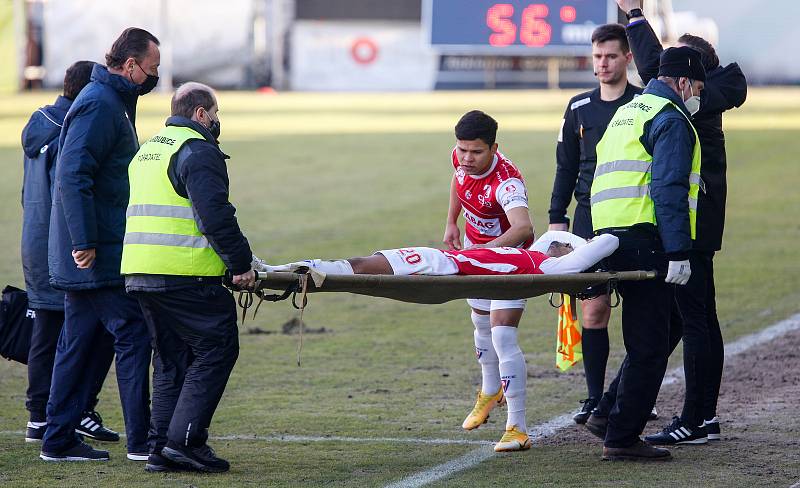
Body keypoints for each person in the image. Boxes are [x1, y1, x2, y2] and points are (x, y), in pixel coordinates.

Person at [612, 0, 747, 446]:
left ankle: (698, 417)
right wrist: (634, 17)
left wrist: (634, 16)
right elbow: (658, 70)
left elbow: (655, 70)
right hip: (685, 223)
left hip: (694, 225)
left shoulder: (715, 88)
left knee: (695, 320)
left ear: (694, 76)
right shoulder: (693, 91)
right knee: (684, 318)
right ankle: (618, 403)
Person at [122, 82, 255, 474]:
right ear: (201, 114)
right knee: (216, 349)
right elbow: (213, 214)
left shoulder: (150, 148)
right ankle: (187, 441)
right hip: (185, 273)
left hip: (141, 271)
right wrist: (240, 263)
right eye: (215, 114)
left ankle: (160, 448)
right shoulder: (196, 150)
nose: (217, 122)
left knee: (170, 359)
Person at [42, 28, 161, 463]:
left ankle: (57, 438)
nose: (154, 77)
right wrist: (84, 241)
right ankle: (140, 442)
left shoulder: (112, 102)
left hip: (97, 248)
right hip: (94, 252)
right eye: (151, 69)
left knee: (81, 341)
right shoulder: (99, 103)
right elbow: (73, 174)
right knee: (131, 332)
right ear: (129, 65)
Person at [585, 46, 705, 461]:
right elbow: (668, 188)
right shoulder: (671, 119)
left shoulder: (629, 111)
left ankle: (606, 413)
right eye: (698, 88)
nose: (698, 96)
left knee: (669, 326)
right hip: (645, 238)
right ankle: (620, 437)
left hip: (610, 234)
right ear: (685, 82)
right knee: (650, 343)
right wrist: (678, 251)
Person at [547, 23, 645, 424]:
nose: (602, 64)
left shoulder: (644, 104)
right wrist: (557, 219)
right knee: (593, 313)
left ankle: (634, 392)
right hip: (588, 222)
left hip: (635, 221)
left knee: (642, 316)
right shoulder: (577, 108)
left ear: (627, 58)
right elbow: (565, 167)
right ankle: (594, 398)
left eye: (610, 56)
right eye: (597, 57)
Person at [20, 60, 121, 445]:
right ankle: (75, 411)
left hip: (34, 237)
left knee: (47, 330)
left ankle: (38, 417)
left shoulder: (38, 123)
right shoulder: (78, 126)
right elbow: (73, 186)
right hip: (64, 242)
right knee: (94, 331)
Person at [441, 111, 535, 452]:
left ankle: (517, 428)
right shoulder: (462, 158)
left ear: (494, 148)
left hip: (509, 263)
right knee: (480, 325)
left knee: (502, 335)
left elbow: (523, 229)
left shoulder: (507, 182)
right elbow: (458, 180)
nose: (466, 158)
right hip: (476, 257)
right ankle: (489, 390)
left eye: (476, 152)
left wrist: (485, 253)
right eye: (462, 150)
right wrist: (452, 222)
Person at [266, 230, 618, 279]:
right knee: (360, 265)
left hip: (444, 267)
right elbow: (554, 235)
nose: (559, 244)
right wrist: (580, 240)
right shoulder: (538, 253)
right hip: (442, 258)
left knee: (362, 270)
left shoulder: (553, 266)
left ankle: (284, 271)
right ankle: (281, 269)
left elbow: (609, 242)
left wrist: (584, 245)